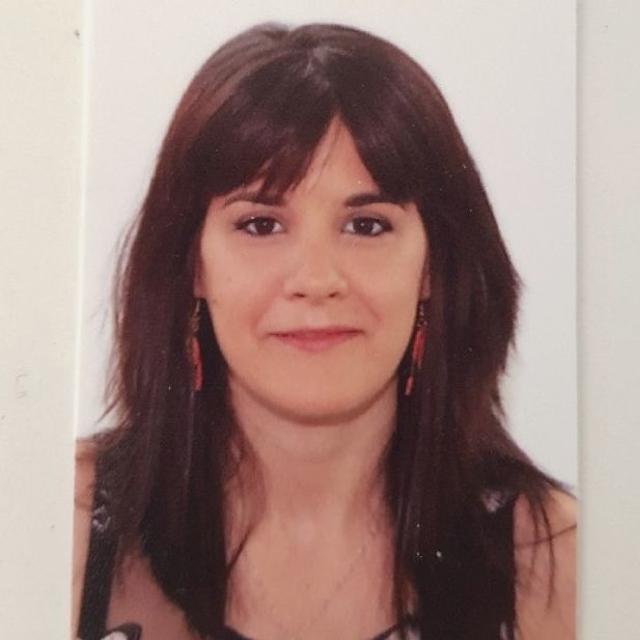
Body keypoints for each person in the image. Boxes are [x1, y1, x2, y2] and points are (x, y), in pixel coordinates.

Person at [72, 22, 576, 640]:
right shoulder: (54, 525)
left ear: (432, 268)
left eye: (366, 226)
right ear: (191, 265)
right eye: (261, 225)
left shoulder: (559, 566)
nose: (315, 280)